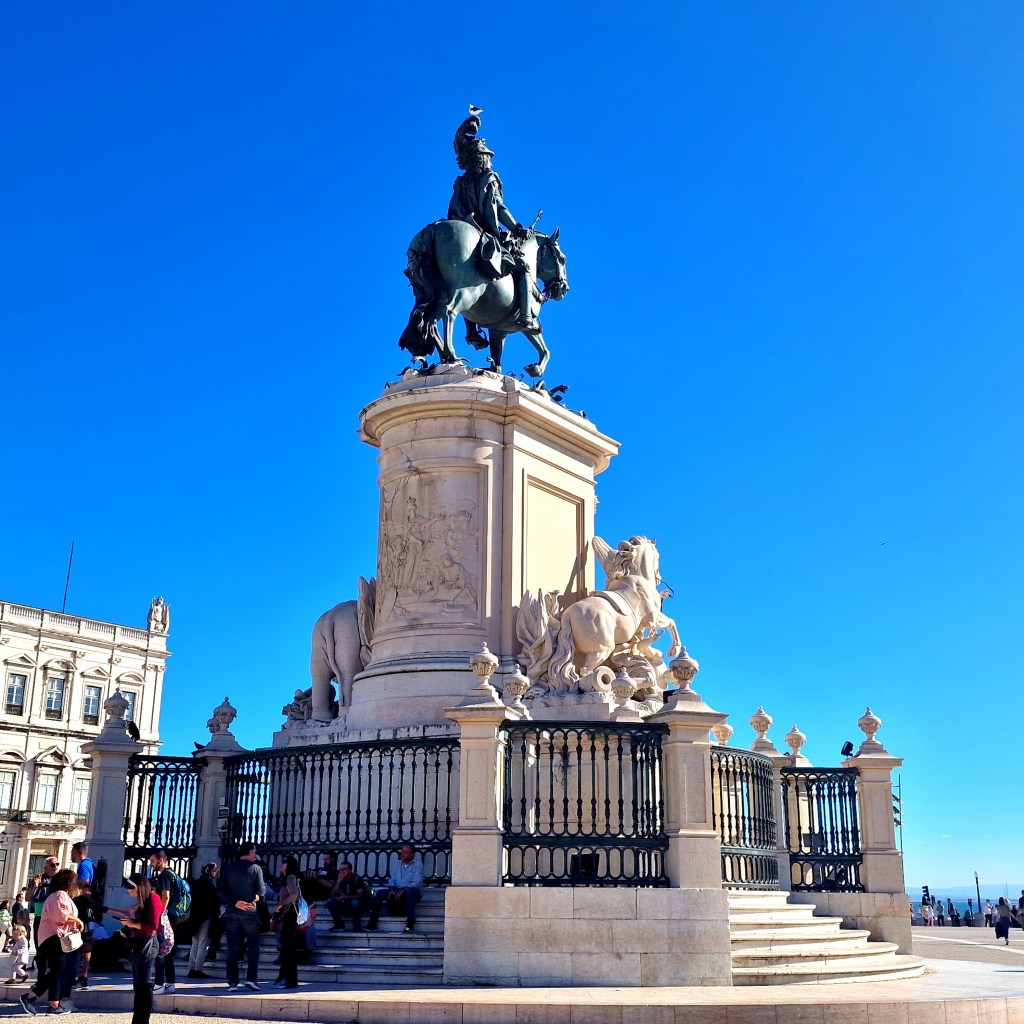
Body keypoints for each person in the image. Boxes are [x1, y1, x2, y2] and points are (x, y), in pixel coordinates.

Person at [20, 867, 83, 1016]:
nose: (77, 883)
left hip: (55, 937)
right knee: (58, 971)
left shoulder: (60, 895)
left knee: (58, 970)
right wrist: (78, 921)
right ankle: (52, 1004)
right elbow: (60, 916)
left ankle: (33, 997)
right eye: (74, 880)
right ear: (68, 881)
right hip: (54, 937)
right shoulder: (60, 895)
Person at [112, 873, 163, 1024]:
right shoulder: (145, 900)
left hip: (148, 944)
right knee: (139, 985)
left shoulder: (153, 898)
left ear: (140, 888)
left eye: (133, 891)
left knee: (144, 985)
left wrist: (133, 924)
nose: (132, 895)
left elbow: (153, 925)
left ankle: (142, 1020)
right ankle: (138, 1019)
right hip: (139, 942)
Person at [217, 841, 266, 992]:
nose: (256, 855)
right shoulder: (256, 868)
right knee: (253, 946)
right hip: (250, 911)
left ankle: (233, 982)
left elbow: (220, 890)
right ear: (251, 852)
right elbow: (261, 891)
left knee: (232, 947)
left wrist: (235, 902)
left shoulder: (229, 868)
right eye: (255, 852)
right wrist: (254, 898)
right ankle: (251, 978)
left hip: (232, 911)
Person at [149, 849, 186, 993]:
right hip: (173, 916)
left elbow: (166, 896)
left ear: (161, 860)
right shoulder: (173, 874)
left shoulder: (164, 875)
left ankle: (159, 984)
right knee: (168, 950)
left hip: (166, 916)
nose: (151, 864)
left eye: (153, 861)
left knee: (160, 949)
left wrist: (160, 914)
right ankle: (170, 983)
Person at [365, 842, 424, 934]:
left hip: (412, 892)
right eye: (402, 851)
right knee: (380, 893)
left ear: (412, 855)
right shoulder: (398, 864)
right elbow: (392, 880)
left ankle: (410, 924)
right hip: (397, 890)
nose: (402, 854)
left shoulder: (418, 865)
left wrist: (403, 890)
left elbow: (416, 883)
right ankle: (372, 924)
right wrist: (392, 889)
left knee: (409, 891)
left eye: (406, 852)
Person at [271, 856, 301, 990]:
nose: (281, 864)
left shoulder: (290, 877)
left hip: (289, 915)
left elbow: (294, 895)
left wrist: (280, 904)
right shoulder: (287, 878)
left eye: (284, 862)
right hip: (287, 915)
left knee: (288, 948)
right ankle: (284, 978)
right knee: (286, 948)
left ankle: (289, 980)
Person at [186, 862, 220, 979]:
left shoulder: (197, 882)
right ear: (214, 872)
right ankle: (198, 969)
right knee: (203, 943)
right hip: (206, 915)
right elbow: (214, 900)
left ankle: (191, 968)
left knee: (195, 943)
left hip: (195, 915)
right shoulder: (211, 883)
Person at [325, 861, 367, 931]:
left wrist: (346, 897)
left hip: (357, 907)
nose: (341, 871)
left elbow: (359, 896)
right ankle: (339, 924)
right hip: (345, 905)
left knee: (355, 902)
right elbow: (333, 895)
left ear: (350, 870)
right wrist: (338, 881)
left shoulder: (357, 879)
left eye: (344, 869)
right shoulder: (340, 879)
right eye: (340, 869)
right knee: (329, 902)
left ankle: (357, 926)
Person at [30, 858, 59, 954]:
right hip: (40, 917)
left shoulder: (60, 880)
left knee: (53, 949)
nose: (55, 867)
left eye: (57, 864)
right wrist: (35, 887)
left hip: (54, 918)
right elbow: (27, 897)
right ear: (45, 868)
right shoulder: (39, 879)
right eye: (52, 865)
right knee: (40, 947)